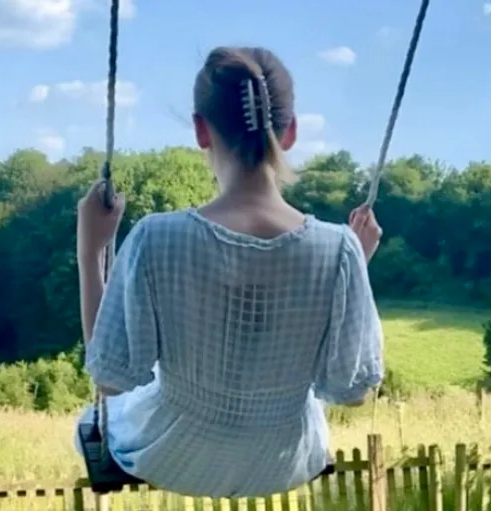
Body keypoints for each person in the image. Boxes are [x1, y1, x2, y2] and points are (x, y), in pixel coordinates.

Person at [73, 46, 384, 498]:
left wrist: (91, 252)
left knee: (96, 419)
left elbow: (110, 377)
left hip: (171, 453)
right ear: (291, 132)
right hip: (286, 457)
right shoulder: (339, 249)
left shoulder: (156, 238)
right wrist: (353, 269)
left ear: (201, 130)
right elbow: (349, 389)